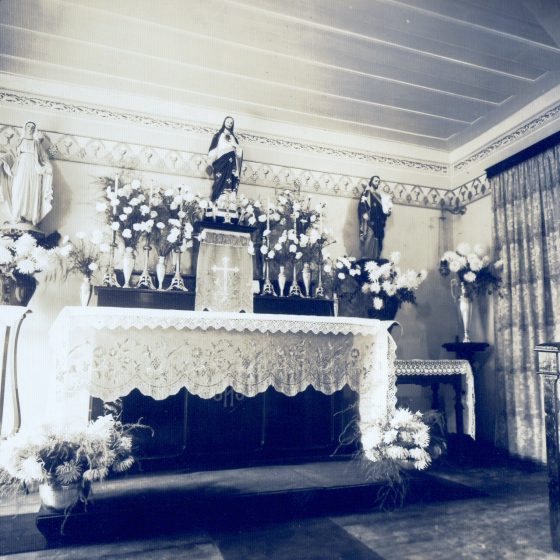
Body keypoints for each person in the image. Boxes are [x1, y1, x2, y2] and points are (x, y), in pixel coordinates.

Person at [10, 121, 53, 226]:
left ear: (34, 129)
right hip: (21, 167)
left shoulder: (36, 143)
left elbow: (44, 157)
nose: (30, 128)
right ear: (24, 128)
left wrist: (48, 166)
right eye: (28, 126)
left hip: (34, 168)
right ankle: (17, 215)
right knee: (19, 189)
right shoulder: (20, 141)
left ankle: (30, 217)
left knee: (32, 191)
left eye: (32, 127)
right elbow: (12, 154)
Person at [207, 116, 243, 203]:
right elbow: (213, 149)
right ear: (224, 122)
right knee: (219, 180)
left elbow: (239, 152)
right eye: (228, 122)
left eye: (231, 123)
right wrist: (210, 162)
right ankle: (217, 200)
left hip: (231, 163)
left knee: (230, 180)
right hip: (221, 162)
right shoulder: (218, 135)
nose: (229, 124)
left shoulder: (234, 138)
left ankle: (228, 200)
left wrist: (235, 144)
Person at [358, 175, 391, 260]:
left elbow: (383, 210)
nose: (377, 183)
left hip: (378, 223)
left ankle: (375, 259)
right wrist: (364, 213)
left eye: (378, 181)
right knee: (368, 240)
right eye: (376, 181)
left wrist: (387, 212)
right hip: (370, 222)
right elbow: (362, 206)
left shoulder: (379, 196)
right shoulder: (367, 193)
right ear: (371, 181)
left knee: (378, 242)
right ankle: (366, 259)